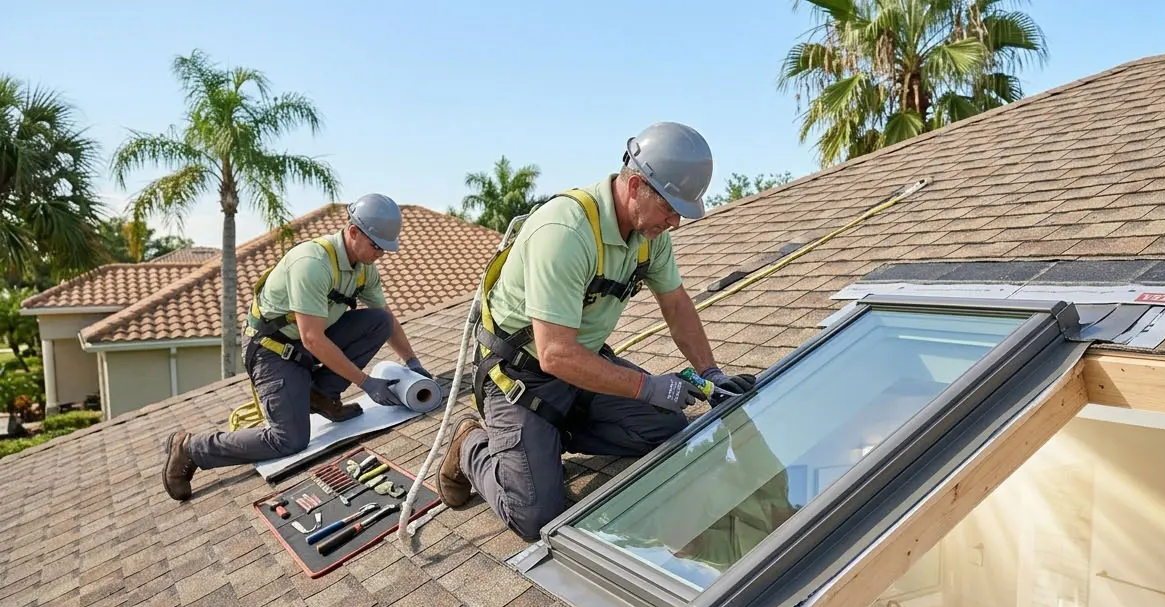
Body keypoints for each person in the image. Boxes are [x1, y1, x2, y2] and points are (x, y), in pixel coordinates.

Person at [437, 122, 759, 540]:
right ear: (636, 185)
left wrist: (711, 373)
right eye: (670, 208)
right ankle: (471, 446)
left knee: (667, 427)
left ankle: (547, 437)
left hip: (582, 366)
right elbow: (553, 353)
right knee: (535, 517)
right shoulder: (566, 231)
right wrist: (646, 386)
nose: (675, 222)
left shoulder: (649, 233)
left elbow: (676, 305)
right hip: (522, 375)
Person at [161, 193, 432, 501]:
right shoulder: (313, 264)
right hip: (273, 352)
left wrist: (412, 363)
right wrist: (366, 382)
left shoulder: (363, 268)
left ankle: (321, 395)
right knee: (288, 439)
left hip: (307, 347)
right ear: (353, 231)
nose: (380, 254)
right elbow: (312, 339)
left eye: (385, 248)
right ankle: (191, 448)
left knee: (378, 321)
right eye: (376, 246)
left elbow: (389, 321)